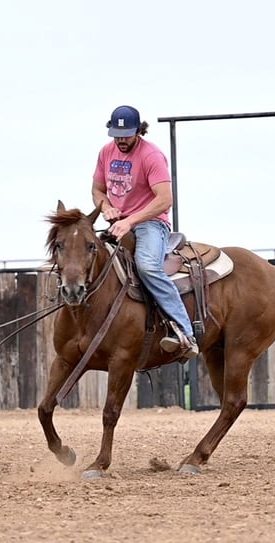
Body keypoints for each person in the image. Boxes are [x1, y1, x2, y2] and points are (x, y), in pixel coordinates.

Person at [92, 105, 199, 360]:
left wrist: (130, 222)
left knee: (147, 265)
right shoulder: (106, 153)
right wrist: (106, 207)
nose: (121, 140)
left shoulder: (151, 156)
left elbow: (164, 200)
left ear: (139, 131)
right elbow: (97, 191)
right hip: (118, 222)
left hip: (151, 223)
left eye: (126, 135)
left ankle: (184, 332)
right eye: (116, 134)